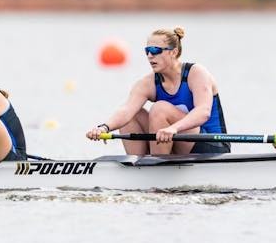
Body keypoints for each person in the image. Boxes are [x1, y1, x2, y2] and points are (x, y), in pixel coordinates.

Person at [85, 27, 230, 155]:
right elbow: (126, 111)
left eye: (155, 51)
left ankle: (157, 166)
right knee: (133, 115)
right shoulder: (147, 82)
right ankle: (140, 168)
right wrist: (104, 128)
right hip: (176, 140)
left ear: (173, 52)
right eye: (147, 51)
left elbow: (203, 112)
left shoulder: (196, 73)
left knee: (160, 109)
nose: (150, 56)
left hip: (211, 145)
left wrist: (173, 128)